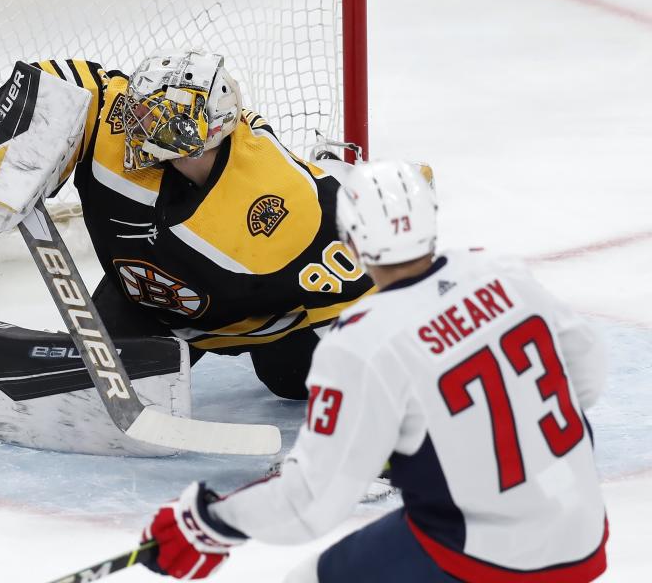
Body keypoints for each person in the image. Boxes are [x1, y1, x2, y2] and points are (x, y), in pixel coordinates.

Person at [141, 161, 609, 582]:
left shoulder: (362, 340)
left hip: (484, 554)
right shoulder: (499, 271)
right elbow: (586, 375)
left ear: (349, 240)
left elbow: (313, 502)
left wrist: (213, 521)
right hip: (582, 527)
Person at [0, 50, 375, 400]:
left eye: (160, 120)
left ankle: (359, 180)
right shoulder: (116, 125)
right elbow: (63, 81)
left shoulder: (288, 205)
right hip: (150, 303)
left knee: (292, 382)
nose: (137, 125)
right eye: (141, 110)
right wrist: (14, 138)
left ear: (206, 133)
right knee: (87, 388)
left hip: (271, 322)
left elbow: (363, 309)